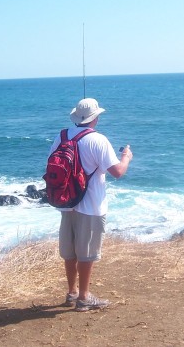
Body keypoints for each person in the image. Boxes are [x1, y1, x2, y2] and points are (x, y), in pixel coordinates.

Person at [48, 97, 133, 312]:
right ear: (95, 118)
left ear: (77, 117)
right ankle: (84, 298)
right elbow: (117, 172)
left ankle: (72, 292)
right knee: (86, 253)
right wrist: (126, 157)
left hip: (66, 201)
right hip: (91, 204)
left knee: (70, 252)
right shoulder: (98, 140)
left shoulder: (62, 136)